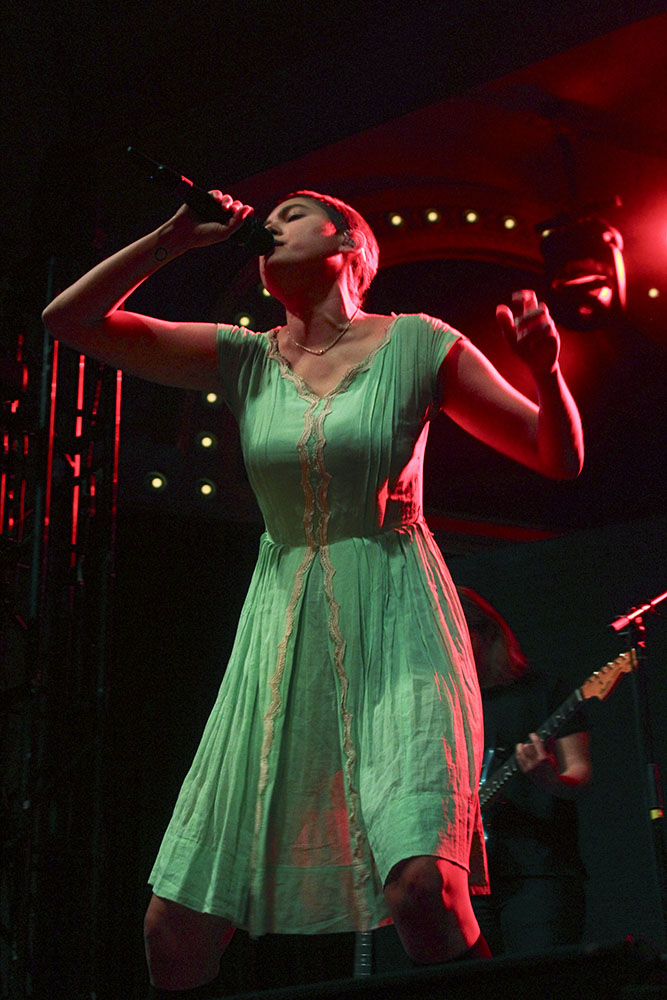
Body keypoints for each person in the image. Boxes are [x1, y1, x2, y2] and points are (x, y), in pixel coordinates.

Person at [42, 187, 584, 997]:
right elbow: (68, 322)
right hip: (279, 631)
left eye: (295, 215)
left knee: (424, 898)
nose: (273, 227)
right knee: (173, 935)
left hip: (398, 618)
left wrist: (546, 369)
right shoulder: (244, 355)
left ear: (348, 245)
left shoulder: (417, 343)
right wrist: (170, 240)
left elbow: (555, 457)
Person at [457, 586, 592, 956]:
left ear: (485, 631)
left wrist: (549, 777)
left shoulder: (545, 692)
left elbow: (579, 774)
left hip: (539, 873)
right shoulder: (444, 706)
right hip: (467, 882)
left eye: (456, 631)